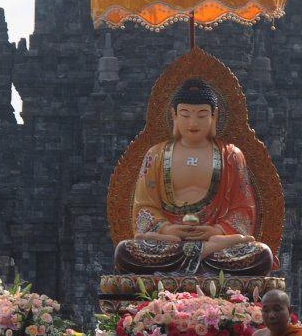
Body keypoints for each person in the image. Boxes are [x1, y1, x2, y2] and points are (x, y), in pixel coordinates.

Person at [114, 77, 274, 275]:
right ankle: (198, 256)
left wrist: (216, 231)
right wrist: (166, 229)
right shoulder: (155, 155)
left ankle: (204, 252)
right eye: (185, 114)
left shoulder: (231, 156)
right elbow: (144, 207)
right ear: (173, 115)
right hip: (171, 243)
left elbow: (243, 208)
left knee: (261, 254)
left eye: (201, 115)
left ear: (214, 116)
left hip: (215, 243)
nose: (193, 122)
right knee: (124, 252)